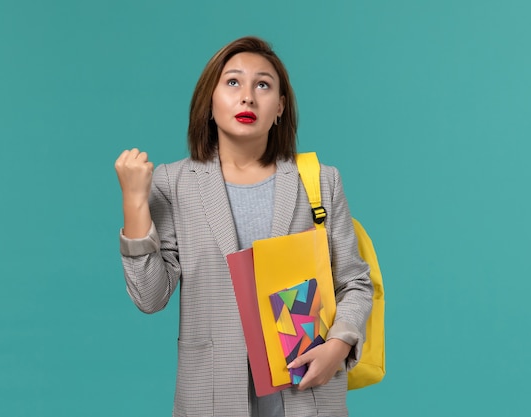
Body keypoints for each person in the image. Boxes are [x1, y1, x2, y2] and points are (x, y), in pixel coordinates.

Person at [114, 36, 373, 417]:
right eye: (232, 82)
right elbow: (150, 298)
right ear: (209, 101)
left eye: (263, 85)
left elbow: (354, 282)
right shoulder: (172, 184)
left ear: (280, 107)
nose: (247, 97)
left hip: (306, 397)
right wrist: (134, 203)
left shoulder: (320, 181)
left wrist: (340, 345)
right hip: (212, 396)